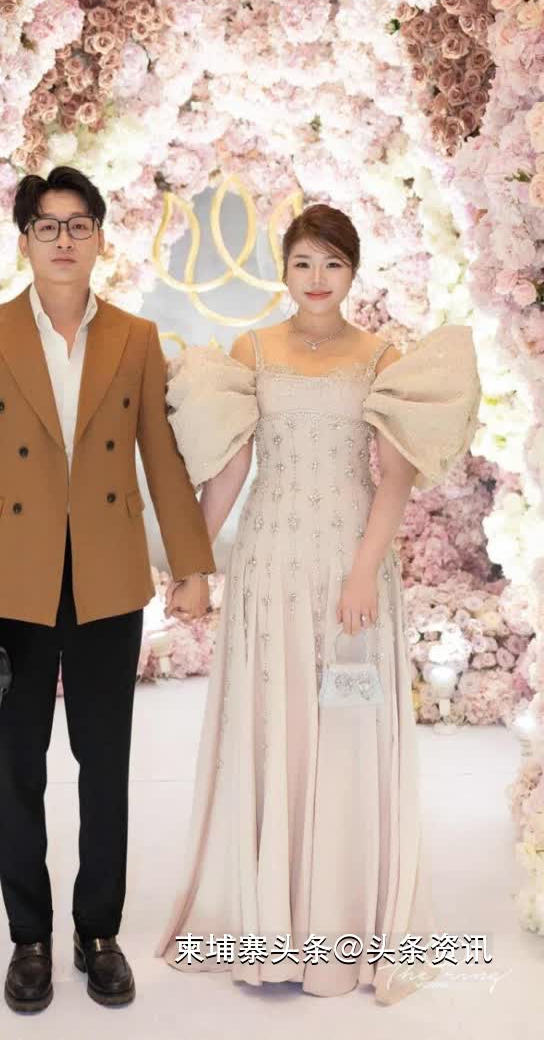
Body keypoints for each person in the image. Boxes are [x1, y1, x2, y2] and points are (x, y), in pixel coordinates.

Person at [155, 203, 481, 1003]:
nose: (317, 278)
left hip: (348, 566)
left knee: (346, 728)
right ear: (284, 269)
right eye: (303, 262)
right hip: (269, 565)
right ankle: (272, 928)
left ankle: (343, 927)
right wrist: (193, 562)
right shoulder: (252, 349)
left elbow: (394, 478)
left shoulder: (381, 357)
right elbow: (230, 472)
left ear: (352, 271)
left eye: (332, 263)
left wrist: (364, 572)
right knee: (273, 728)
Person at [0, 166, 215, 1013]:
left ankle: (99, 933)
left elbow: (160, 456)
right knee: (17, 767)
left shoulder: (134, 336)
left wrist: (193, 564)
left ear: (99, 237)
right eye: (48, 225)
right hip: (10, 584)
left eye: (79, 224)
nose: (64, 240)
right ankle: (29, 937)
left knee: (105, 766)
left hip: (106, 579)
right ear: (25, 238)